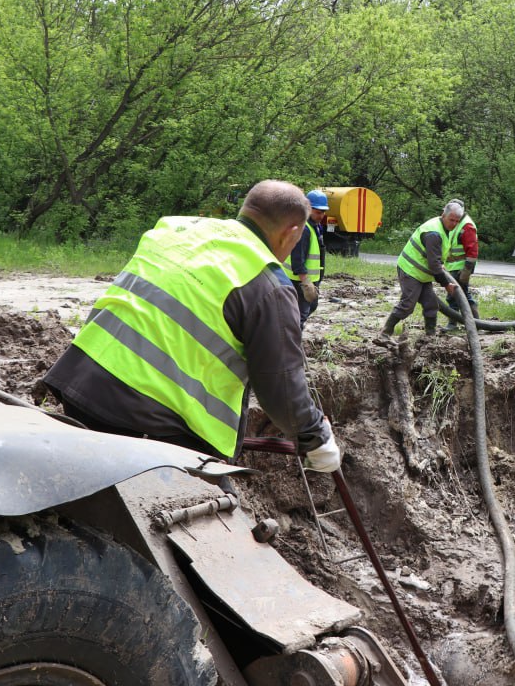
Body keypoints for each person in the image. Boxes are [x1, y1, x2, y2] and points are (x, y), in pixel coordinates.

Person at [43, 180, 341, 473]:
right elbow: (280, 387)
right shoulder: (267, 284)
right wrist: (316, 438)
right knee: (214, 503)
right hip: (153, 423)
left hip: (82, 386)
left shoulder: (173, 230)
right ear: (292, 232)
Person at [382, 201, 462, 337]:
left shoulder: (444, 229)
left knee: (431, 304)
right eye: (451, 220)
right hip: (410, 270)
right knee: (408, 305)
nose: (454, 224)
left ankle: (430, 337)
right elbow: (434, 265)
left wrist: (439, 263)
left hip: (422, 274)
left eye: (457, 221)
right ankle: (385, 333)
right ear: (443, 215)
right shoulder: (433, 233)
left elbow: (435, 256)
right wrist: (446, 284)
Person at [284, 189, 328, 329]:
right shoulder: (304, 229)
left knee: (311, 306)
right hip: (299, 281)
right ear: (308, 209)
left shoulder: (316, 226)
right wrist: (306, 282)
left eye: (323, 212)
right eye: (318, 212)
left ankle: (289, 333)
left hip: (310, 279)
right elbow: (298, 258)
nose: (322, 215)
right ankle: (291, 339)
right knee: (300, 316)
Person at [441, 200, 479, 331]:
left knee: (455, 295)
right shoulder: (456, 223)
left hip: (461, 267)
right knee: (459, 295)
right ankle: (476, 323)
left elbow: (472, 252)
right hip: (453, 266)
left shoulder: (467, 226)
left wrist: (465, 272)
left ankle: (454, 324)